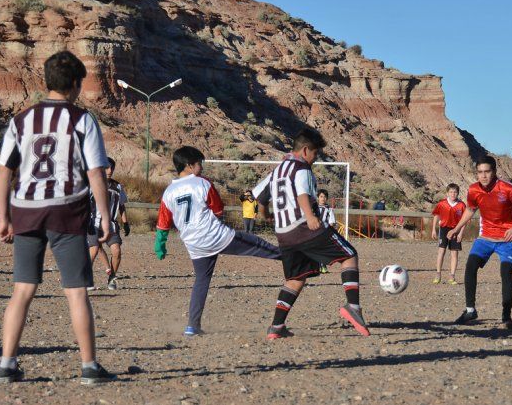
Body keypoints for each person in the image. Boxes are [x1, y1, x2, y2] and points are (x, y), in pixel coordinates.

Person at [0, 50, 115, 384]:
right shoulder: (81, 119)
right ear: (75, 83)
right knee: (76, 291)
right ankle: (89, 366)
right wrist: (105, 216)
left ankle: (6, 364)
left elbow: (4, 171)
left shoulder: (21, 120)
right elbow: (96, 172)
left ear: (46, 81)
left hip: (26, 209)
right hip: (67, 209)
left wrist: (3, 217)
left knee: (22, 289)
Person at [253, 128, 369, 339]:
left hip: (283, 234)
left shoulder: (277, 171)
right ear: (305, 150)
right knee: (349, 255)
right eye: (315, 153)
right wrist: (310, 217)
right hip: (304, 228)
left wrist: (266, 215)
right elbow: (302, 194)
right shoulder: (301, 168)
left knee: (295, 279)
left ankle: (276, 327)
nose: (316, 158)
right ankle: (353, 307)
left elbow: (260, 198)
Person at [154, 146, 282, 336]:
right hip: (215, 236)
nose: (202, 167)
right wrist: (217, 223)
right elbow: (218, 209)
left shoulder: (169, 191)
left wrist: (160, 245)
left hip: (193, 244)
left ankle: (192, 326)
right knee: (258, 245)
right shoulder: (202, 183)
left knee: (201, 280)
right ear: (189, 165)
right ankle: (293, 257)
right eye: (199, 163)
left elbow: (163, 223)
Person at [448, 155, 512, 330]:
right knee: (470, 266)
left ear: (494, 172)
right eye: (480, 172)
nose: (483, 176)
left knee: (506, 271)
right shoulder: (473, 190)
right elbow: (470, 210)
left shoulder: (509, 189)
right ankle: (470, 310)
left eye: (487, 171)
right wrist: (456, 228)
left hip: (507, 238)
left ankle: (506, 317)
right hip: (485, 237)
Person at [87, 157, 129, 291]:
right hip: (93, 223)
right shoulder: (92, 184)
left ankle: (112, 278)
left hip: (111, 224)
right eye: (106, 168)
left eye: (112, 168)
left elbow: (121, 206)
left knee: (117, 251)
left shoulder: (118, 187)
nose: (110, 171)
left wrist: (125, 223)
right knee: (94, 249)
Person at [430, 183, 466, 285]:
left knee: (454, 253)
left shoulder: (461, 205)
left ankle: (452, 277)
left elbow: (464, 221)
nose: (453, 194)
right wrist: (433, 229)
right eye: (451, 192)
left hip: (456, 230)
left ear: (458, 193)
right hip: (444, 229)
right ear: (447, 193)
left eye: (455, 192)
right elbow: (436, 215)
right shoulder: (442, 204)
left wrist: (460, 233)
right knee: (441, 251)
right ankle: (438, 274)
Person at [316, 189, 337, 274]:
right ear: (318, 197)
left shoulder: (329, 209)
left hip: (324, 232)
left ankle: (323, 266)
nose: (323, 198)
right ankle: (316, 267)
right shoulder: (313, 208)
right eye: (321, 196)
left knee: (323, 249)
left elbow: (331, 222)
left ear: (327, 198)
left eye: (325, 197)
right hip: (314, 232)